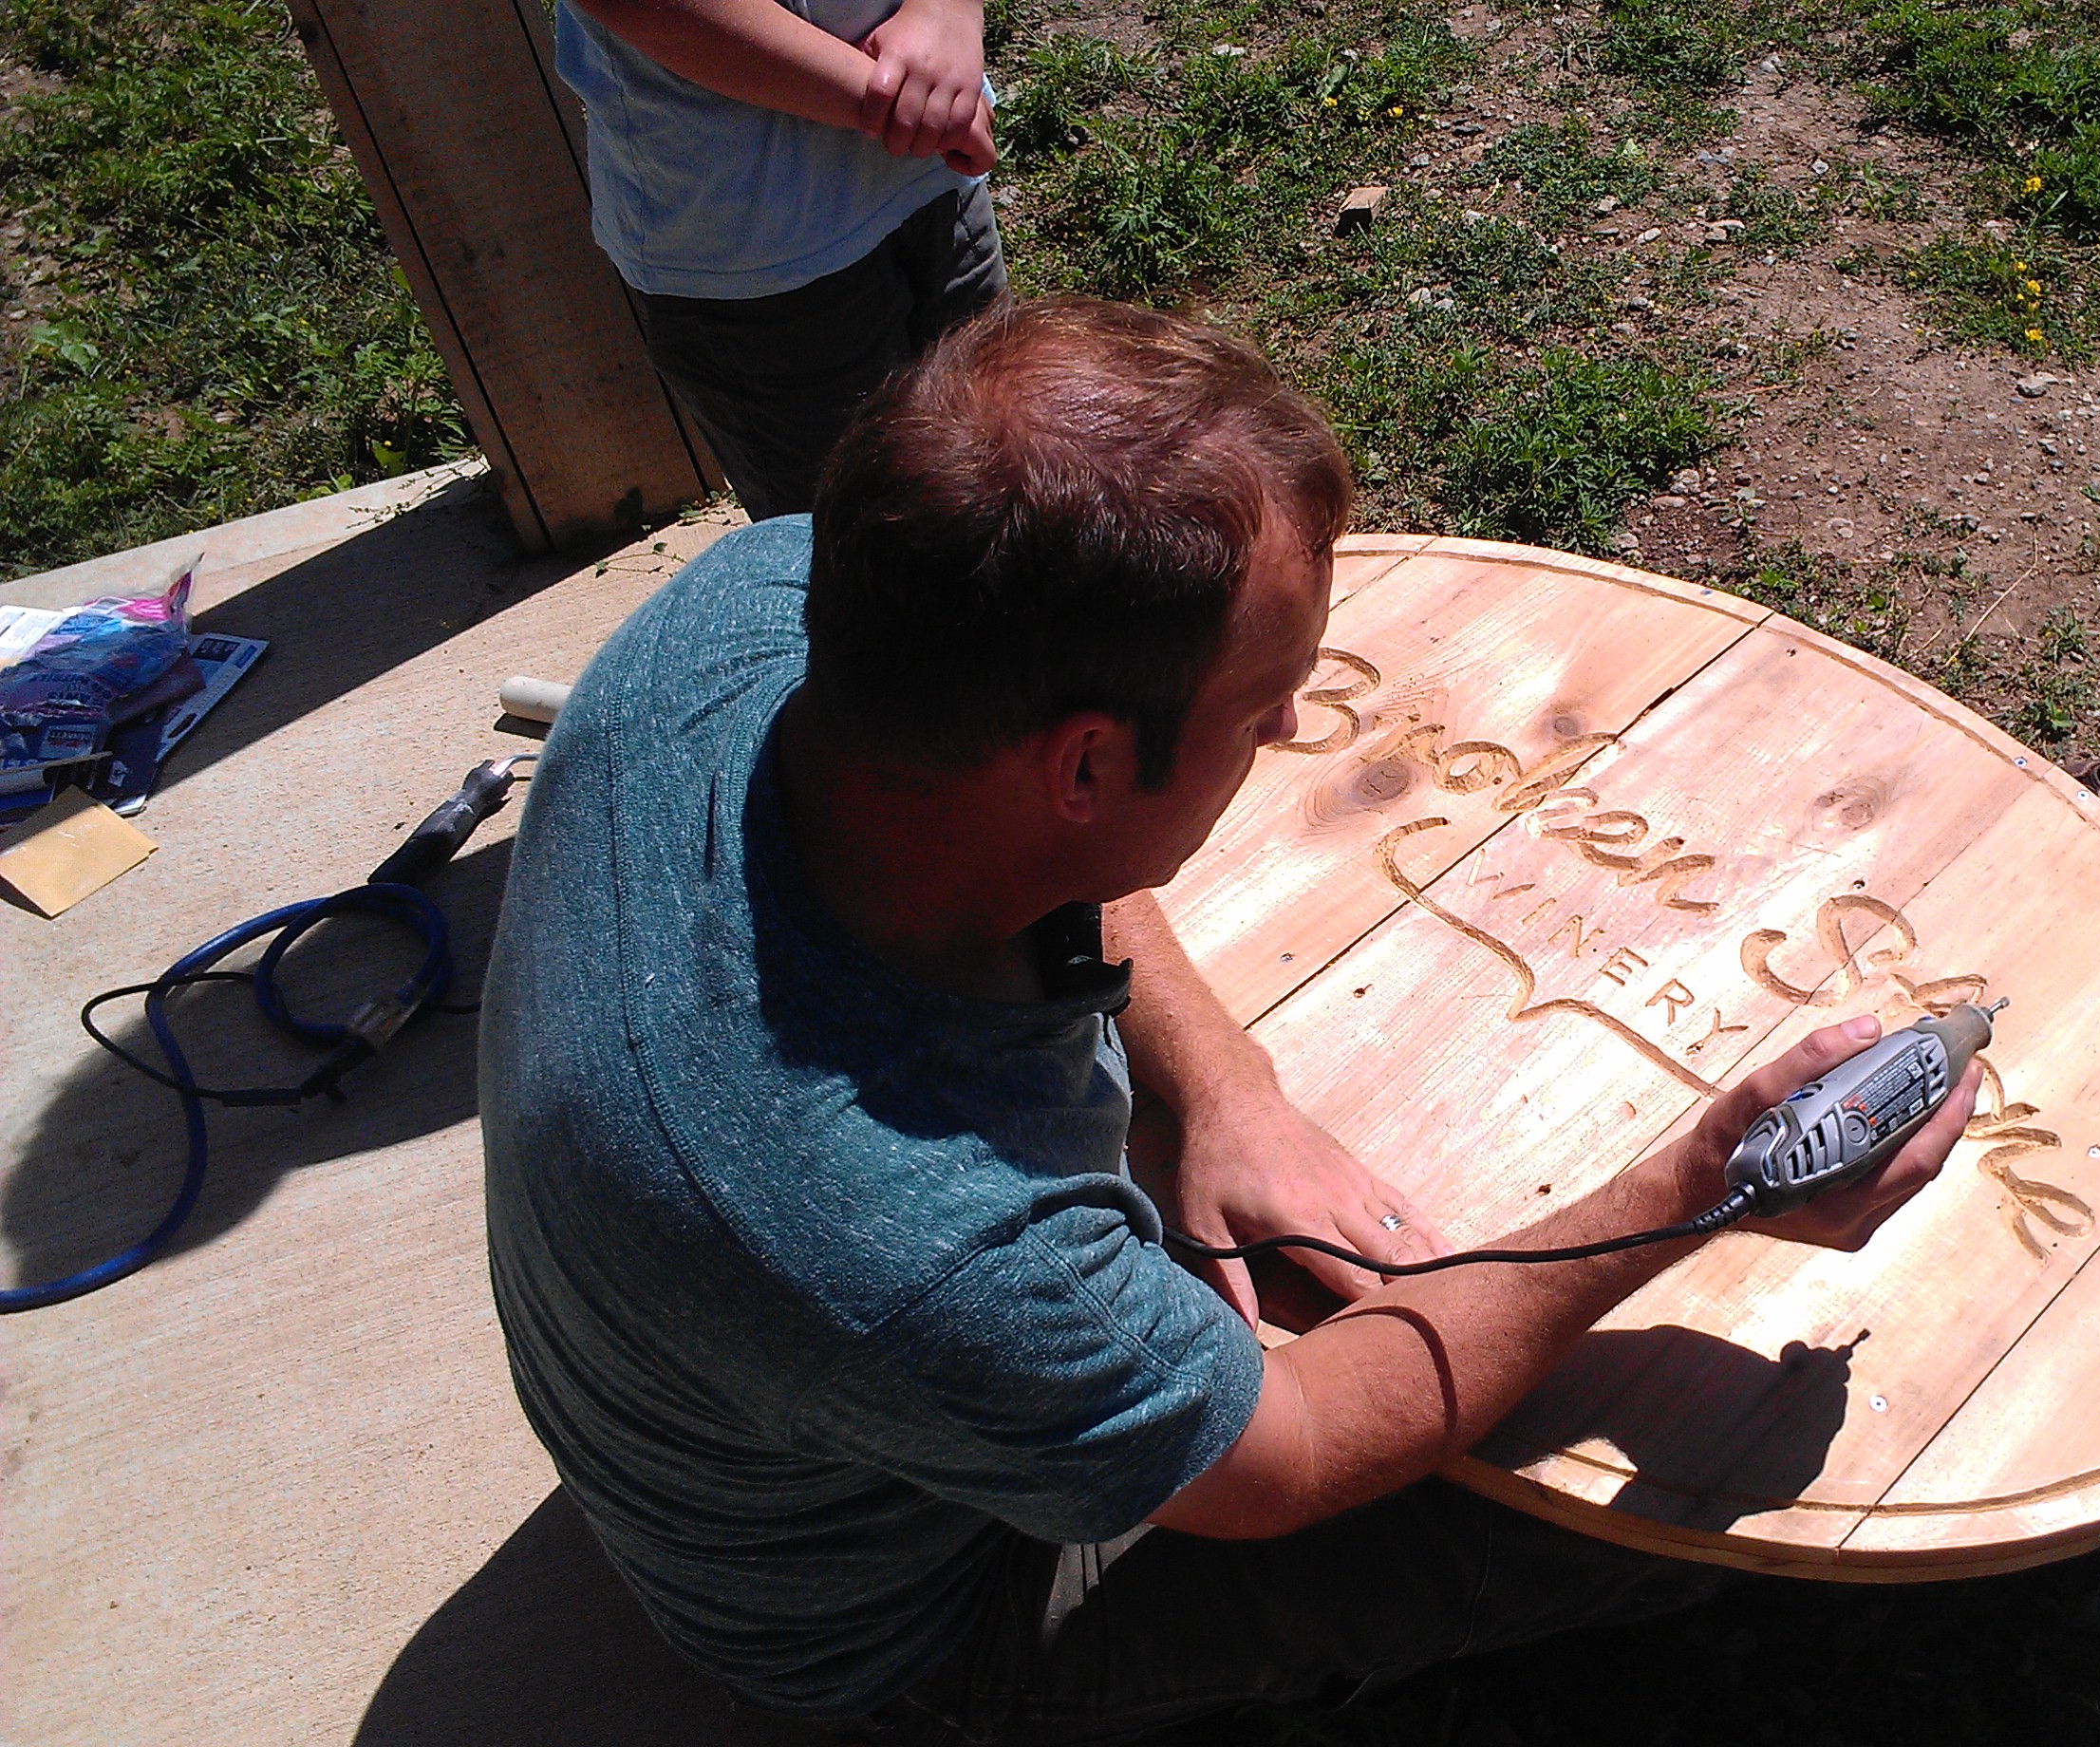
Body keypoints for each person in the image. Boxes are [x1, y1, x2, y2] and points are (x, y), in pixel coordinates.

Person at [478, 295, 1978, 1743]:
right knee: (1667, 1509)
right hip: (921, 1609)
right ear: (1080, 769)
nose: (1287, 730)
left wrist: (1219, 1089)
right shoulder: (908, 1235)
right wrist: (1702, 1181)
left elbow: (1064, 861)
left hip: (775, 1372)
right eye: (1264, 700)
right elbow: (1303, 1442)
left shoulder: (772, 611)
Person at [554, 0, 1007, 519]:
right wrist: (898, 103)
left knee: (999, 488)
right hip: (757, 268)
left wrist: (946, 14)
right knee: (851, 542)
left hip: (935, 180)